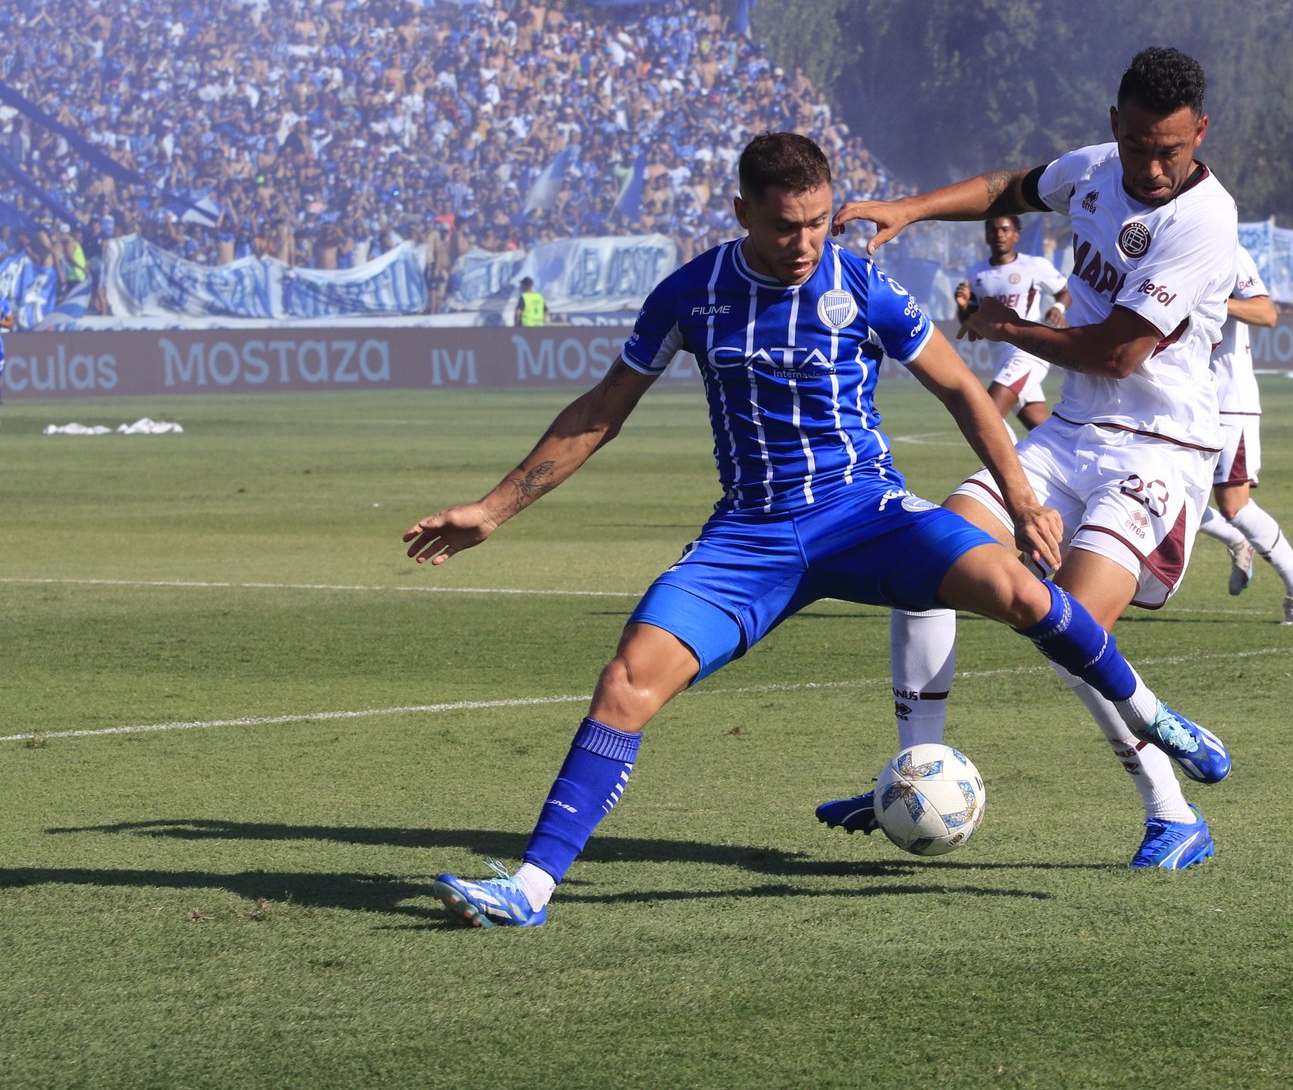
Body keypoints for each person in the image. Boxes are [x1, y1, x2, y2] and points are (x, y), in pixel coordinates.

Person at [408, 133, 1229, 927]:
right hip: (749, 537)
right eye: (783, 226)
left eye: (816, 220)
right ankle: (530, 885)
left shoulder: (861, 283)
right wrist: (492, 508)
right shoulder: (688, 295)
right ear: (741, 212)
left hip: (865, 514)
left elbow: (962, 390)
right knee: (625, 682)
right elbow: (600, 411)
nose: (804, 242)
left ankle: (1154, 716)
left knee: (1020, 589)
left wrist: (1021, 498)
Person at [820, 46, 1241, 870]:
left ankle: (1173, 811)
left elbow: (1119, 354)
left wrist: (1004, 328)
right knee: (926, 557)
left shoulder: (1204, 220)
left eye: (1172, 151)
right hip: (1067, 436)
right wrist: (908, 207)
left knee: (1070, 630)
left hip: (1159, 450)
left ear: (1201, 132)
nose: (1153, 167)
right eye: (1138, 148)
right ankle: (915, 775)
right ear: (1114, 125)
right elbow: (1009, 185)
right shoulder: (1093, 168)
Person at [1194, 244, 1293, 623]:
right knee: (1171, 491)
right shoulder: (1168, 249)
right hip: (1185, 399)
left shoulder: (1228, 252)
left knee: (1233, 505)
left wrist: (1214, 303)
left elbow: (1266, 314)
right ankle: (1235, 540)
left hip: (1227, 400)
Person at [956, 214, 1070, 430]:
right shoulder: (976, 272)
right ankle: (1069, 460)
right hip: (1000, 356)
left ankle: (1001, 465)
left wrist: (1058, 307)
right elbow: (972, 323)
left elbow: (1064, 292)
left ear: (1016, 235)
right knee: (1042, 430)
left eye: (1005, 229)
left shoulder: (1034, 265)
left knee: (985, 414)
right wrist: (963, 307)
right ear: (987, 236)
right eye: (994, 230)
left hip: (1029, 352)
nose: (999, 234)